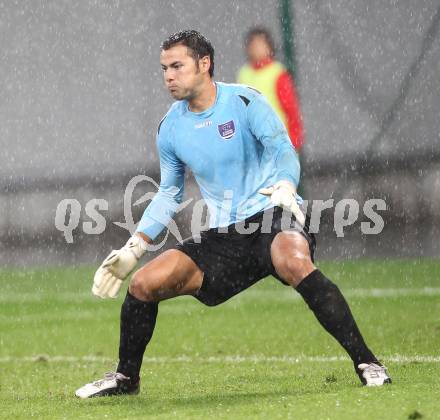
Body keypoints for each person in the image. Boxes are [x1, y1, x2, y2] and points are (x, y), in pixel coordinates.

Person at [75, 30, 391, 398]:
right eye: (164, 68)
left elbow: (282, 148)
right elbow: (169, 192)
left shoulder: (244, 102)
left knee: (292, 260)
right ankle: (126, 379)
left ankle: (367, 362)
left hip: (274, 213)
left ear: (204, 64)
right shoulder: (170, 128)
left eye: (177, 66)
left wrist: (287, 184)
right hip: (225, 234)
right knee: (143, 284)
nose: (169, 76)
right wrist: (136, 245)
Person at [237, 27, 303, 151]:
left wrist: (295, 139)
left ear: (269, 47)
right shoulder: (243, 73)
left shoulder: (277, 73)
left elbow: (291, 109)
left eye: (260, 44)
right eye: (253, 45)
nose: (256, 49)